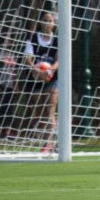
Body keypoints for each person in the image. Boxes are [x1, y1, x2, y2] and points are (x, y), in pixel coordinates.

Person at [24, 11, 59, 153]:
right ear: (40, 23)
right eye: (45, 20)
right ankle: (43, 139)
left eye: (50, 21)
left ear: (53, 24)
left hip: (52, 78)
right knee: (37, 111)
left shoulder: (57, 40)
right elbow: (28, 59)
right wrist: (37, 71)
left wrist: (50, 70)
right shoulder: (32, 38)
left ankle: (50, 143)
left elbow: (59, 60)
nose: (47, 23)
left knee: (50, 110)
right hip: (35, 78)